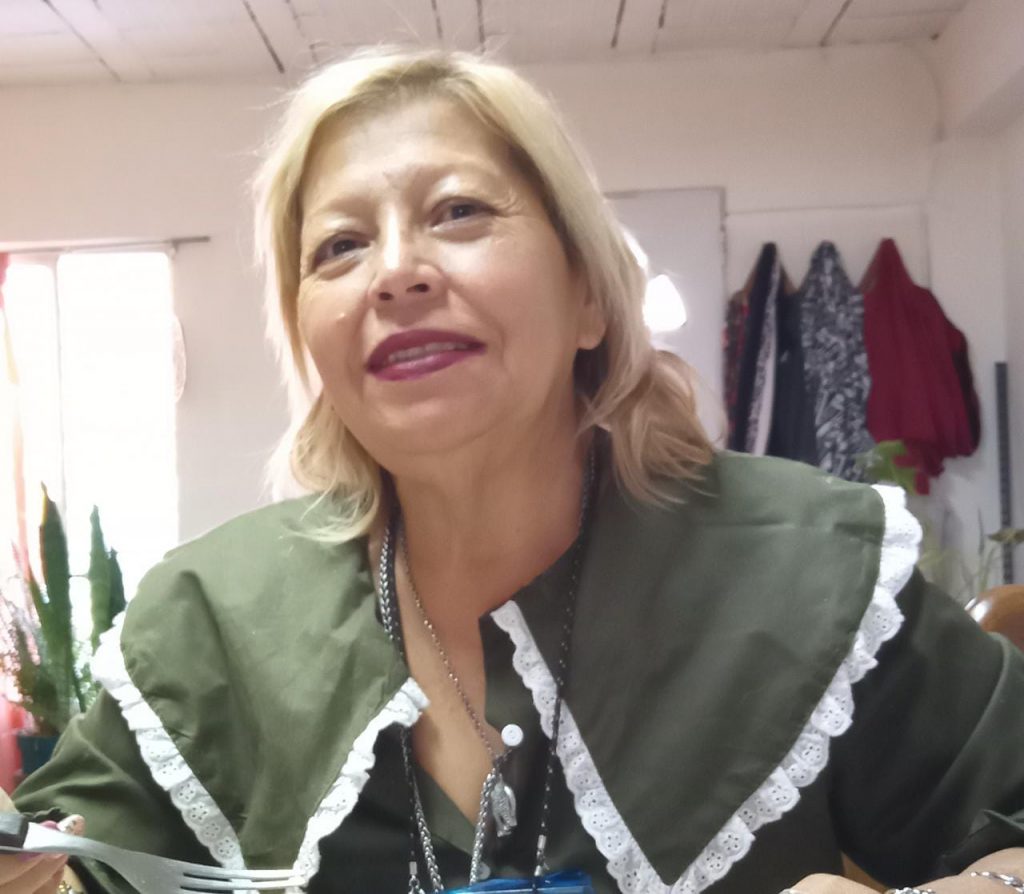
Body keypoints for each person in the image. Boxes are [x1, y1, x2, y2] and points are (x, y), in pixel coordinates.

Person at [5, 47, 1024, 894]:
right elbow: (64, 865)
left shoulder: (812, 567)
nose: (394, 271)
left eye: (457, 212)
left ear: (589, 296)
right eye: (340, 246)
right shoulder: (207, 619)